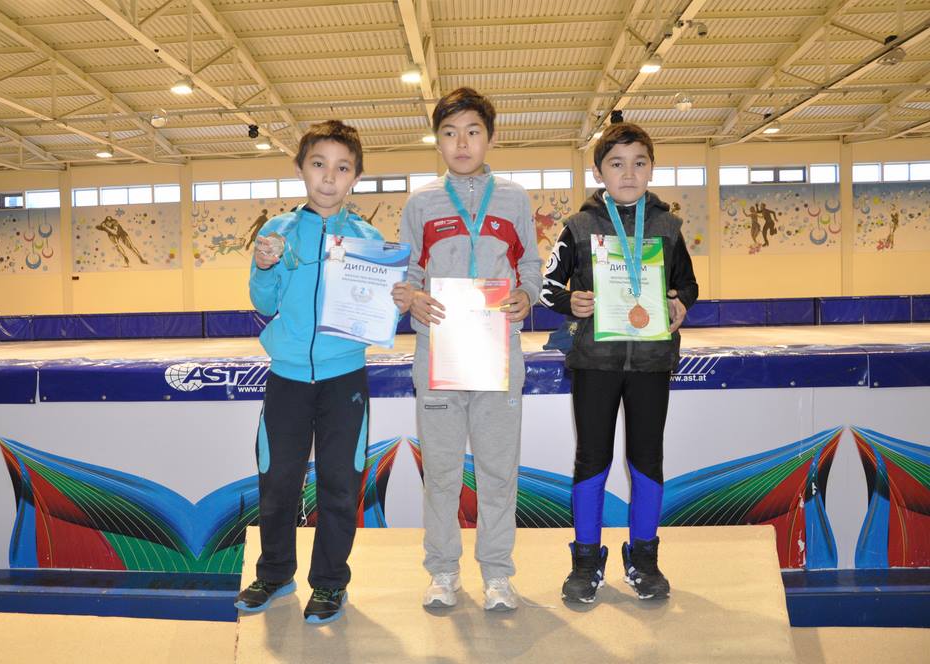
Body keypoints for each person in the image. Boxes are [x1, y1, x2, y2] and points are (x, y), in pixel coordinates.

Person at [394, 88, 542, 612]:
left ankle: (498, 576)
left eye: (472, 132)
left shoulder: (515, 199)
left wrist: (527, 295)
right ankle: (442, 572)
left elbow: (530, 267)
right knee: (441, 473)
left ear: (490, 139)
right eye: (450, 133)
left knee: (499, 472)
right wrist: (412, 298)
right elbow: (407, 274)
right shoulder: (421, 203)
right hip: (439, 353)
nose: (461, 143)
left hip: (498, 354)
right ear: (437, 141)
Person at [234, 120, 388, 625]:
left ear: (356, 177)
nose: (329, 177)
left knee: (341, 484)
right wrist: (263, 267)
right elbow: (263, 303)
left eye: (342, 168)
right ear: (301, 168)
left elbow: (379, 313)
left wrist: (394, 297)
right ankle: (275, 573)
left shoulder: (368, 239)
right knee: (277, 480)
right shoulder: (277, 232)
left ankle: (329, 582)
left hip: (345, 381)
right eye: (318, 164)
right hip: (288, 378)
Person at [539, 122, 698, 603]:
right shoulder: (578, 226)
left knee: (647, 459)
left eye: (639, 163)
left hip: (651, 361)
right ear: (599, 171)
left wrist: (680, 302)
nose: (628, 173)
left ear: (652, 168)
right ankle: (586, 560)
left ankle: (644, 557)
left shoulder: (668, 226)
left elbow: (688, 285)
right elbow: (548, 288)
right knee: (592, 460)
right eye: (616, 163)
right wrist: (571, 302)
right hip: (595, 363)